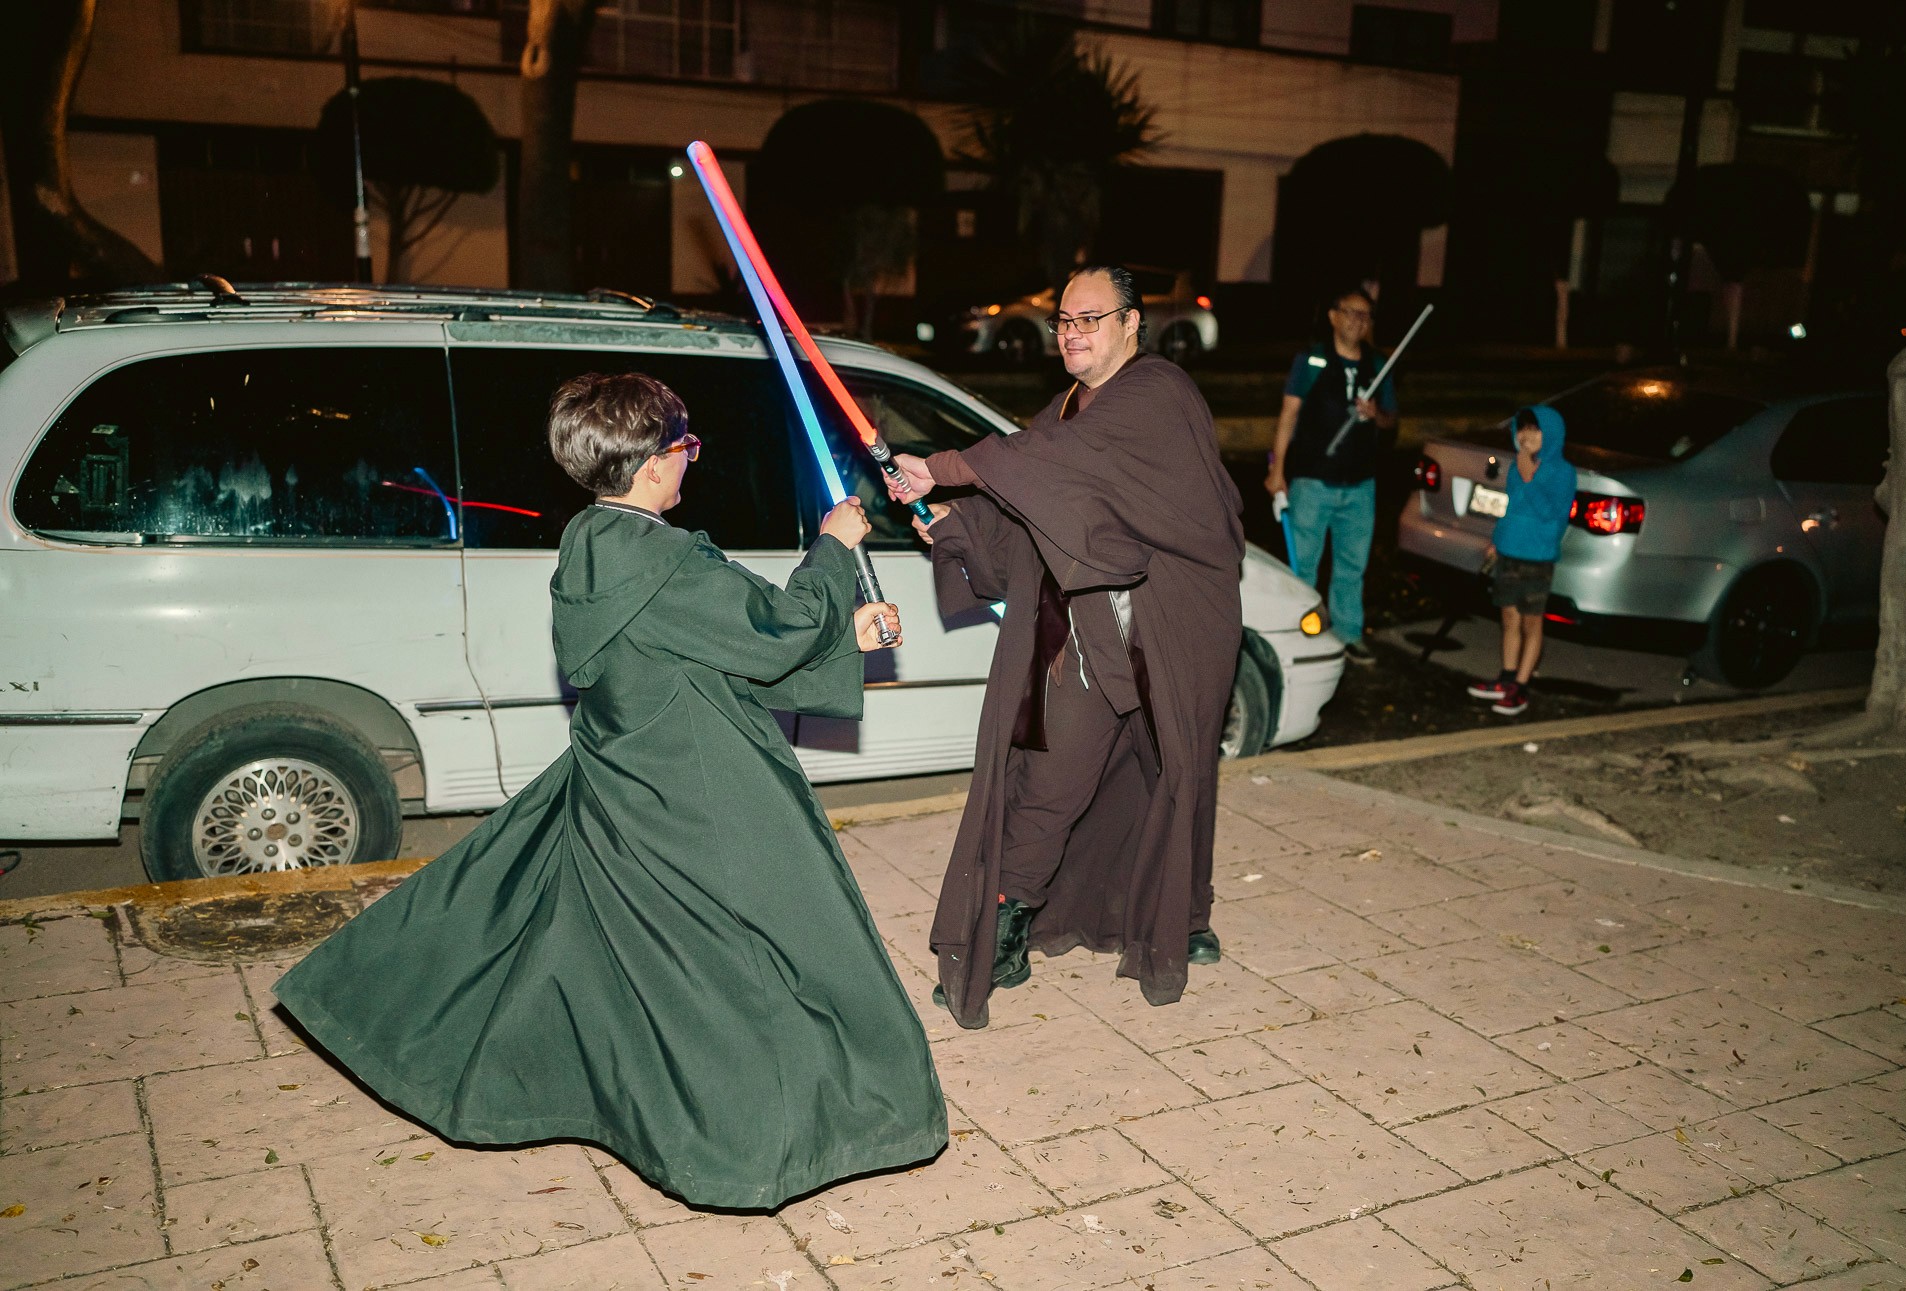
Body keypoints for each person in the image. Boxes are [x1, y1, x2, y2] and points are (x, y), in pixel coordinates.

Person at [275, 372, 948, 1209]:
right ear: (654, 463)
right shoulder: (666, 560)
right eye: (684, 447)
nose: (690, 460)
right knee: (792, 942)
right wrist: (835, 549)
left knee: (634, 965)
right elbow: (772, 634)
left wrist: (843, 634)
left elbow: (692, 652)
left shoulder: (593, 545)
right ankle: (765, 1142)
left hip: (625, 781)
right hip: (706, 792)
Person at [886, 265, 1245, 1029]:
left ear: (1131, 323)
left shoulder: (1158, 392)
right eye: (1062, 321)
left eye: (1089, 318)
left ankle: (1182, 917)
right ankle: (1007, 927)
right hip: (1087, 635)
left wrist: (946, 466)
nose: (1072, 332)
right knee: (1050, 780)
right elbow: (1027, 491)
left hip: (1169, 625)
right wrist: (949, 519)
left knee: (1176, 770)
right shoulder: (1066, 409)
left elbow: (1052, 466)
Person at [1264, 288, 1399, 665]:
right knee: (1303, 566)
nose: (1359, 321)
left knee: (1351, 567)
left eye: (1366, 315)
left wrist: (1377, 415)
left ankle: (1348, 633)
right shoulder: (1313, 360)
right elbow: (1288, 416)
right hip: (1313, 480)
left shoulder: (1378, 364)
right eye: (1351, 313)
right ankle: (1299, 635)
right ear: (1333, 316)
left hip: (1360, 484)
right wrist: (1278, 471)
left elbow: (1392, 419)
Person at [1466, 404, 1576, 717]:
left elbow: (1550, 514)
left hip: (1537, 556)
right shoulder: (1517, 466)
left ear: (1550, 434)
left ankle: (1521, 687)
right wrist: (1497, 541)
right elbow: (1512, 508)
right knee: (1508, 619)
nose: (1526, 436)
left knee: (1531, 621)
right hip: (1509, 551)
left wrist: (1531, 475)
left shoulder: (1561, 471)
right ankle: (1507, 676)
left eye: (1534, 429)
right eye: (1523, 428)